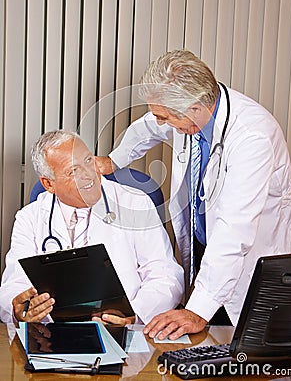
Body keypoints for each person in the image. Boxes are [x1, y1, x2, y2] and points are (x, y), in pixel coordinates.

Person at [97, 49, 291, 340]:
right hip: (208, 254)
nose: (162, 123)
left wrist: (198, 311)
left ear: (193, 108)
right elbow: (148, 128)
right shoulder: (192, 113)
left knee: (248, 357)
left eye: (166, 117)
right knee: (206, 350)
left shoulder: (252, 136)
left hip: (251, 264)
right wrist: (114, 160)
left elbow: (234, 231)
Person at [0, 130, 184, 324]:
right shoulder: (30, 218)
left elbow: (165, 275)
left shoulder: (134, 203)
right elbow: (14, 285)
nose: (89, 176)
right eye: (73, 171)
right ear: (48, 184)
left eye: (89, 161)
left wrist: (134, 315)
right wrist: (19, 309)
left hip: (124, 332)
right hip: (52, 336)